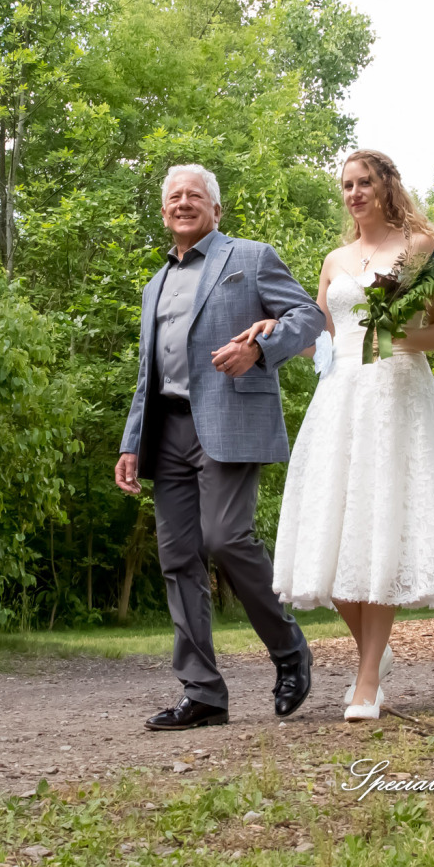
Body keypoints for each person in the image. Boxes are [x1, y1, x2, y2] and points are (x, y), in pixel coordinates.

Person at [237, 149, 434, 722]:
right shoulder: (333, 259)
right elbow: (316, 336)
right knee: (337, 534)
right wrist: (270, 327)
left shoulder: (421, 247)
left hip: (397, 394)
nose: (353, 193)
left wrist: (399, 338)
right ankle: (377, 651)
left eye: (363, 182)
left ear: (385, 185)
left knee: (379, 527)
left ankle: (368, 679)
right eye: (346, 185)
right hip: (340, 396)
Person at [114, 164, 326, 732]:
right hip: (168, 430)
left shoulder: (249, 259)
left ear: (215, 209)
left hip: (231, 417)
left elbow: (310, 318)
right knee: (178, 558)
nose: (183, 203)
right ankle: (203, 691)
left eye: (195, 196)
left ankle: (288, 649)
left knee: (226, 537)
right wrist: (131, 441)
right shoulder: (153, 285)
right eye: (174, 197)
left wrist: (262, 348)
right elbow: (147, 374)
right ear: (164, 212)